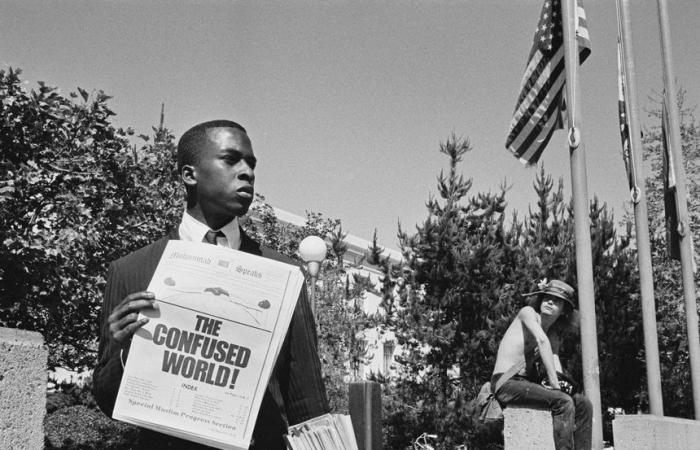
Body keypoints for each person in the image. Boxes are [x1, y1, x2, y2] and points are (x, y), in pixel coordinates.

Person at [93, 119, 329, 449]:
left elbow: (309, 404)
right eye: (232, 160)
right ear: (189, 174)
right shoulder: (132, 270)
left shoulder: (282, 274)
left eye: (251, 163)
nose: (247, 171)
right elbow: (109, 402)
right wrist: (123, 350)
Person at [491, 279, 592, 450]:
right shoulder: (528, 313)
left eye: (557, 301)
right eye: (547, 298)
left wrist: (562, 384)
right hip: (506, 383)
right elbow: (541, 341)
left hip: (526, 384)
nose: (550, 302)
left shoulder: (553, 335)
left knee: (583, 403)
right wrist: (555, 385)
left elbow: (554, 360)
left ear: (564, 311)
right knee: (563, 401)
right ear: (540, 300)